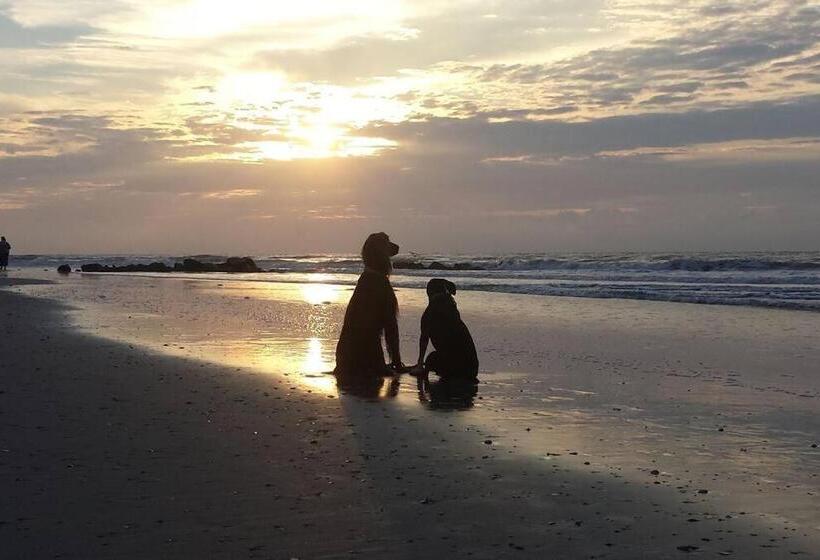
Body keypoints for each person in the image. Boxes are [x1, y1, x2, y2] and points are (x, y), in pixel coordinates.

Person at [335, 232, 406, 379]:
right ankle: (393, 363)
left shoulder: (364, 282)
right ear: (381, 252)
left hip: (344, 359)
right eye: (387, 244)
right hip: (369, 357)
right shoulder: (381, 284)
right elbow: (391, 327)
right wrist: (397, 363)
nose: (393, 247)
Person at [412, 278, 479, 382]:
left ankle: (422, 369)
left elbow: (424, 339)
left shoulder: (430, 313)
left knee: (431, 358)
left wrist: (420, 363)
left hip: (454, 369)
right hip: (472, 369)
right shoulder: (452, 311)